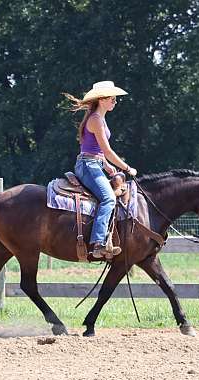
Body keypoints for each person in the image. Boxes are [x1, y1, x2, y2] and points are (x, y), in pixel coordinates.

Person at [63, 81, 137, 258]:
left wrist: (107, 166)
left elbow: (95, 150)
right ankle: (98, 243)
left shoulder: (99, 118)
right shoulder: (96, 119)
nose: (115, 101)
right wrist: (127, 168)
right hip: (88, 166)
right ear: (102, 99)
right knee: (109, 198)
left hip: (93, 164)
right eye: (112, 98)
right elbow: (107, 150)